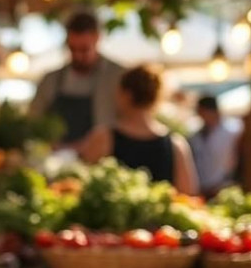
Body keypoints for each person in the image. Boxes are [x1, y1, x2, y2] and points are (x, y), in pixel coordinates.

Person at [78, 65, 197, 195]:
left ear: (126, 95)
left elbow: (80, 186)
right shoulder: (176, 144)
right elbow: (187, 196)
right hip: (158, 216)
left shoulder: (103, 138)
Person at [29, 10, 124, 146]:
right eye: (73, 49)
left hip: (102, 159)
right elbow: (34, 120)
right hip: (55, 160)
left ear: (97, 38)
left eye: (84, 50)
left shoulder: (117, 76)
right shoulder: (50, 80)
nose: (78, 56)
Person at [188, 95, 237, 197]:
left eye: (202, 112)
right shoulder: (195, 135)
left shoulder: (232, 132)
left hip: (223, 188)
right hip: (201, 189)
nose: (201, 116)